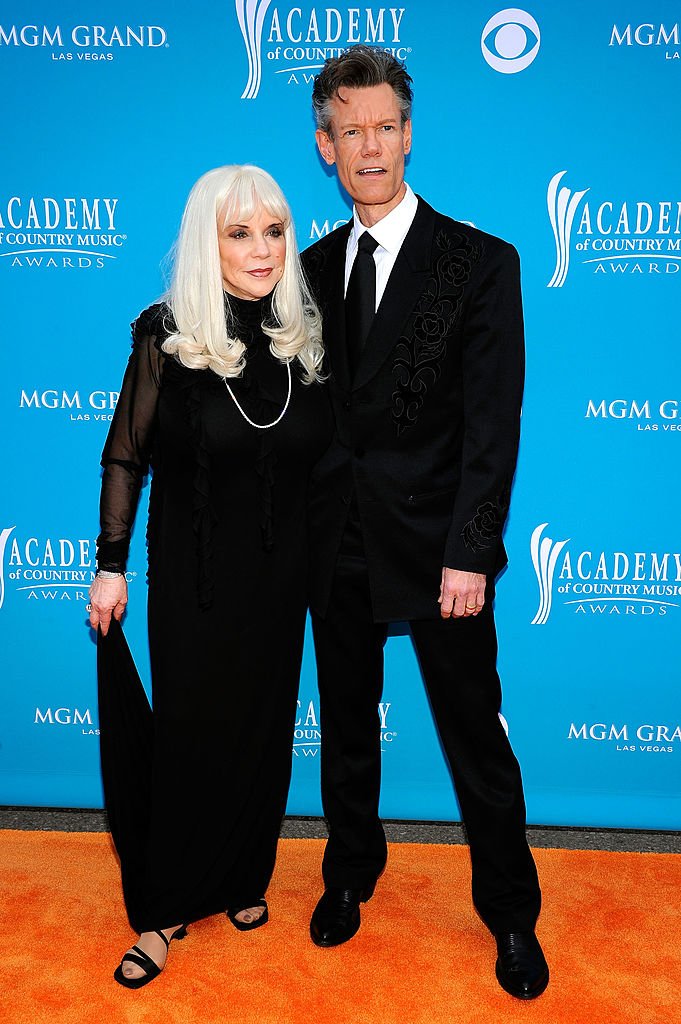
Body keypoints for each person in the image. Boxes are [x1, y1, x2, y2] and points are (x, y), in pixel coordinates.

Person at [301, 46, 549, 1000]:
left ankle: (513, 917)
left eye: (384, 126)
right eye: (349, 130)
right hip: (339, 546)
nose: (370, 146)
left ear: (409, 135)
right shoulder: (309, 268)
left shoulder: (479, 263)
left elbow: (493, 424)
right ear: (326, 146)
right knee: (348, 730)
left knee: (473, 738)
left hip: (442, 551)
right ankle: (349, 873)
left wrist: (472, 552)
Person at [89, 164, 332, 988]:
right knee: (191, 736)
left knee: (261, 732)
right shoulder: (165, 334)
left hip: (279, 581)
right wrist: (109, 566)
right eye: (239, 232)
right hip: (192, 581)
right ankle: (162, 909)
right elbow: (125, 454)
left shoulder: (303, 333)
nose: (261, 248)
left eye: (273, 229)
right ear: (208, 239)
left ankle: (237, 876)